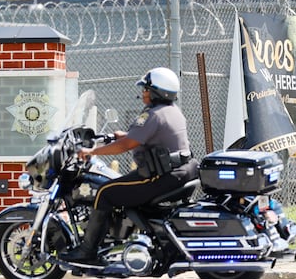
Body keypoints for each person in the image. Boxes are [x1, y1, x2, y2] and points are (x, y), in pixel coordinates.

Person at [59, 67, 199, 265]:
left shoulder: (152, 115)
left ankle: (87, 251)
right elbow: (149, 138)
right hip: (180, 173)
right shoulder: (172, 111)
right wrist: (124, 135)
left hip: (160, 178)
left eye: (147, 89)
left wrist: (91, 152)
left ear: (157, 92)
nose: (143, 93)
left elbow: (126, 146)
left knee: (105, 191)